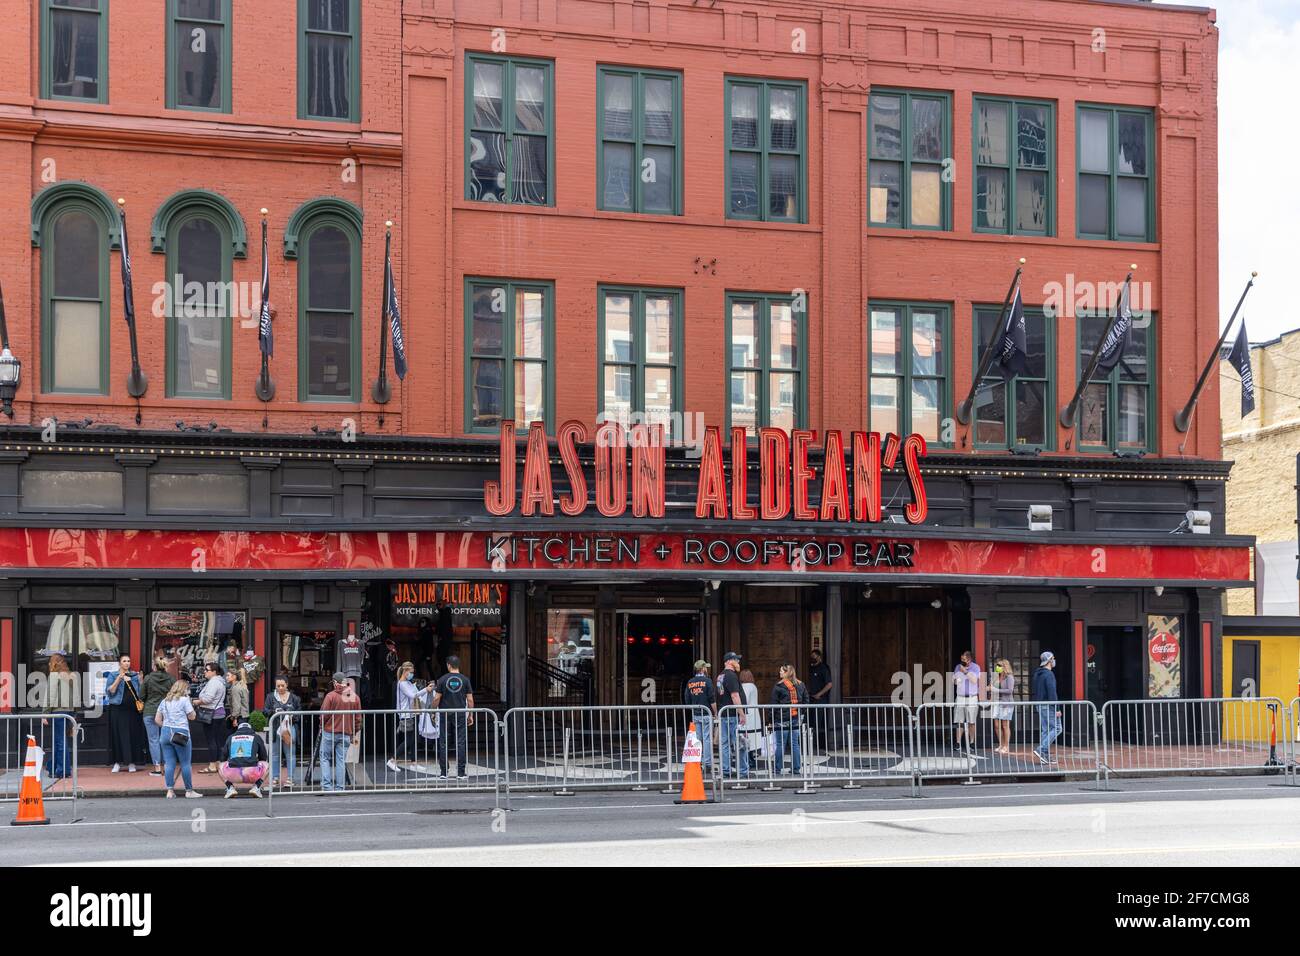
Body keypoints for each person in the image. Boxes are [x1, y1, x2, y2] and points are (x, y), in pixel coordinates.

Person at [154, 678, 202, 799]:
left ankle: (170, 791)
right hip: (181, 733)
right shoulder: (184, 700)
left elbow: (157, 720)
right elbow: (192, 717)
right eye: (187, 689)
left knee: (169, 763)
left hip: (165, 733)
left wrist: (166, 726)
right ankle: (189, 790)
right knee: (185, 763)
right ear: (183, 689)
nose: (188, 691)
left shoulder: (164, 701)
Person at [430, 656, 475, 779]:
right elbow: (470, 700)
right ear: (458, 665)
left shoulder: (442, 679)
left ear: (448, 665)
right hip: (460, 713)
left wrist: (433, 711)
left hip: (445, 713)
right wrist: (470, 714)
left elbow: (436, 698)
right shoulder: (465, 680)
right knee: (460, 742)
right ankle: (460, 773)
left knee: (443, 742)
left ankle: (444, 772)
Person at [319, 672, 362, 792]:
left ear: (335, 683)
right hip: (346, 734)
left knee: (325, 758)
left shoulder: (330, 696)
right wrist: (354, 732)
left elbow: (323, 715)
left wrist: (321, 725)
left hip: (329, 732)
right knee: (340, 760)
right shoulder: (354, 697)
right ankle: (340, 788)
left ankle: (326, 786)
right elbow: (358, 719)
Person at [389, 661, 433, 773]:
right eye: (411, 672)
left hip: (412, 713)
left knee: (414, 739)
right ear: (405, 671)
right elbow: (413, 695)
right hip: (406, 714)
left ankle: (414, 763)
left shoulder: (408, 683)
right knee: (409, 740)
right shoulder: (402, 684)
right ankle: (392, 760)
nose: (412, 674)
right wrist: (425, 690)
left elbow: (416, 694)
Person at [103, 654, 142, 773]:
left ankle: (131, 763)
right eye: (124, 661)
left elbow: (139, 694)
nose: (127, 663)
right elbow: (110, 692)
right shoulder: (113, 675)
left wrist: (139, 681)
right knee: (117, 736)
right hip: (117, 710)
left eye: (128, 661)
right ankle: (117, 762)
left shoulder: (134, 676)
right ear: (120, 663)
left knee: (132, 736)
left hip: (132, 711)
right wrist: (119, 679)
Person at [263, 676, 302, 790]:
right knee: (275, 755)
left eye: (282, 685)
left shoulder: (294, 698)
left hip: (290, 729)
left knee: (290, 754)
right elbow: (265, 711)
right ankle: (275, 778)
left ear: (287, 685)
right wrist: (273, 711)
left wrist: (292, 715)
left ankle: (290, 778)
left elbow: (299, 712)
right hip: (275, 728)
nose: (280, 688)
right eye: (278, 686)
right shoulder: (270, 697)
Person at [716, 652, 749, 780]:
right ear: (729, 661)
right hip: (732, 715)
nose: (738, 662)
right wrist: (741, 713)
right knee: (739, 743)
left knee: (724, 744)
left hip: (724, 714)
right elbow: (735, 696)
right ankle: (742, 771)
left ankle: (725, 770)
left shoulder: (720, 676)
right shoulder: (731, 676)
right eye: (736, 660)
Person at [771, 665, 808, 775]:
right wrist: (801, 713)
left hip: (781, 719)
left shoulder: (779, 686)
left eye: (781, 671)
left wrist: (770, 719)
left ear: (787, 673)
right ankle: (796, 768)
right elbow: (806, 701)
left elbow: (773, 704)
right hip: (796, 717)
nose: (779, 673)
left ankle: (777, 769)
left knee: (780, 744)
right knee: (795, 744)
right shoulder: (801, 685)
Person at [220, 718, 270, 799]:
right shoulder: (256, 737)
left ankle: (230, 788)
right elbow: (263, 756)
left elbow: (223, 757)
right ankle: (256, 787)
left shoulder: (230, 737)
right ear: (250, 728)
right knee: (267, 765)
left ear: (238, 728)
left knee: (220, 765)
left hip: (233, 774)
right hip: (252, 773)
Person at [141, 656, 174, 776]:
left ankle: (157, 768)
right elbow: (175, 695)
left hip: (150, 711)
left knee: (153, 740)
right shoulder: (171, 679)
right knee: (166, 739)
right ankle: (168, 765)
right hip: (166, 712)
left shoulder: (148, 678)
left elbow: (141, 695)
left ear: (154, 666)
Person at [682, 660, 715, 773]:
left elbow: (686, 698)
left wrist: (692, 708)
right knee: (707, 739)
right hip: (706, 713)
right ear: (702, 669)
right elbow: (712, 698)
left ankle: (698, 762)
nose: (707, 669)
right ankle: (707, 764)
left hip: (696, 714)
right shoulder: (708, 681)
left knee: (698, 740)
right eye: (705, 667)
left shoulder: (690, 682)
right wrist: (715, 713)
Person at [196, 662, 229, 774]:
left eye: (207, 670)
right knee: (217, 740)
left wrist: (196, 701)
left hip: (212, 714)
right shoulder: (220, 681)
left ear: (214, 672)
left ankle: (212, 765)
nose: (205, 671)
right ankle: (219, 763)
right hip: (219, 713)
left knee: (211, 740)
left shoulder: (214, 682)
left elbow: (208, 699)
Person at [1032, 651, 1062, 765]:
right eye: (1053, 658)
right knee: (1058, 728)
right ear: (1049, 660)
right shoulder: (1049, 674)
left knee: (1046, 730)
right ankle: (1041, 749)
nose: (1054, 660)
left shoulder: (1037, 673)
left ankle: (1044, 756)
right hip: (1048, 705)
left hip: (1039, 704)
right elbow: (1052, 692)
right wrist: (1057, 708)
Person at [952, 650, 982, 752]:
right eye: (961, 659)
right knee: (959, 721)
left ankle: (972, 742)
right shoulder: (957, 667)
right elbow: (954, 681)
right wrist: (957, 679)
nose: (962, 661)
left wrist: (965, 672)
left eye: (964, 659)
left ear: (969, 660)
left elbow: (974, 680)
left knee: (971, 721)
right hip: (960, 697)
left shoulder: (976, 667)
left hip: (972, 697)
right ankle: (958, 743)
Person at [990, 659, 1016, 754]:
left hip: (1006, 703)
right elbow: (992, 688)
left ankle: (1006, 746)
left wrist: (996, 690)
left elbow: (1010, 690)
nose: (997, 667)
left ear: (1004, 667)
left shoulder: (1009, 677)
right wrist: (990, 689)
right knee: (996, 725)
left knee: (1005, 725)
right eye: (997, 665)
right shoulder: (996, 677)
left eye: (999, 666)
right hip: (996, 703)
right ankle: (1001, 744)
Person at [740, 668, 763, 766]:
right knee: (751, 737)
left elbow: (744, 700)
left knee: (746, 737)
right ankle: (751, 758)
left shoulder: (745, 686)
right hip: (754, 714)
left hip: (747, 714)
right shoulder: (753, 686)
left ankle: (748, 760)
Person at [435, 601, 455, 674]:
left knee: (443, 658)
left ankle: (444, 674)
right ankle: (444, 674)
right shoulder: (443, 613)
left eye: (439, 604)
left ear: (443, 605)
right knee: (442, 658)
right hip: (444, 639)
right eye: (437, 604)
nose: (438, 606)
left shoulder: (444, 614)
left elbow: (444, 627)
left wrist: (441, 637)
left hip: (444, 640)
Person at [227, 668, 250, 733]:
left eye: (228, 675)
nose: (226, 677)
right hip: (244, 716)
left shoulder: (235, 688)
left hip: (240, 718)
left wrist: (235, 718)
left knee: (237, 739)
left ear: (234, 677)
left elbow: (237, 705)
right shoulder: (241, 686)